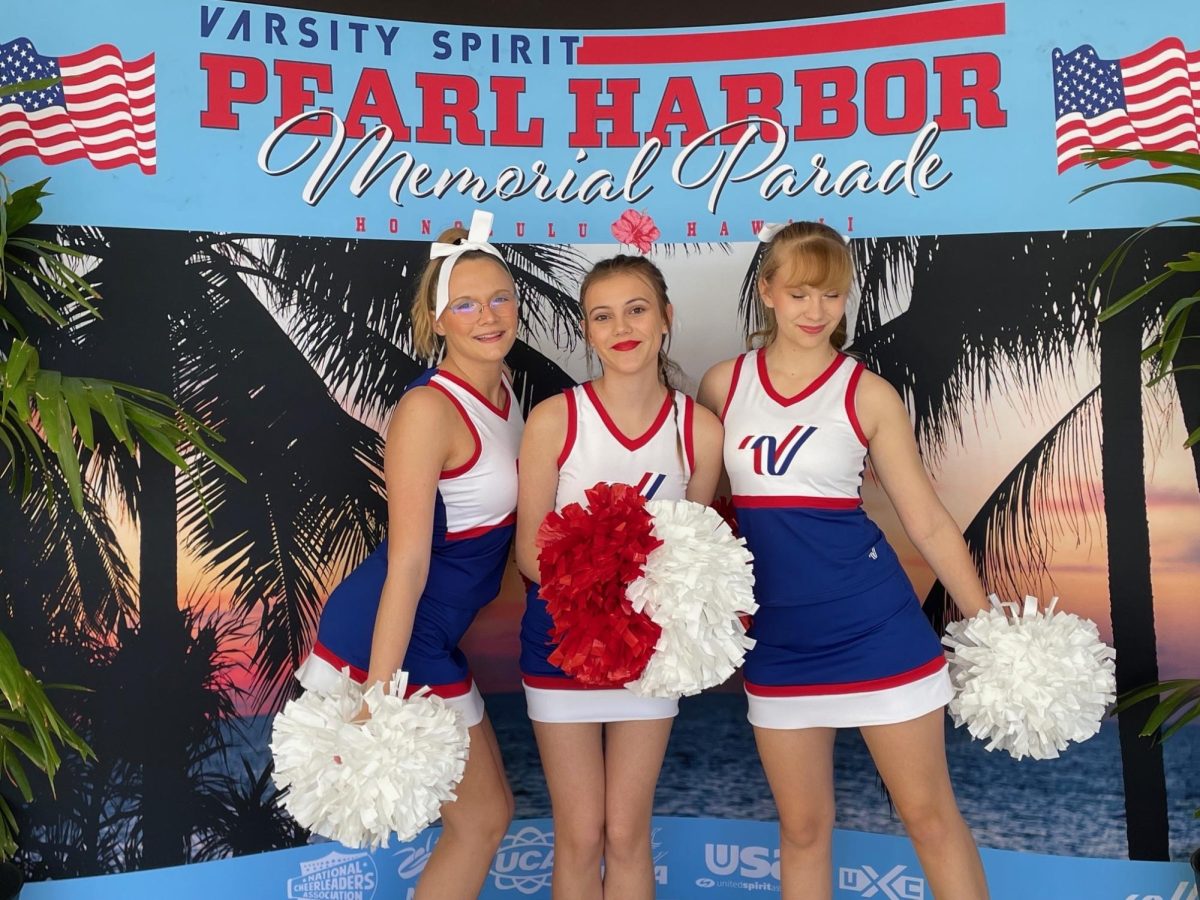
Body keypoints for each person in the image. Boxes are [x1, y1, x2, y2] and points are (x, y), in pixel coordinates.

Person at [698, 222, 990, 900]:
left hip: (875, 629)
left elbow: (928, 522)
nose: (815, 310)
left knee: (928, 818)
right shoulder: (723, 385)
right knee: (801, 830)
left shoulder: (868, 393)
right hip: (778, 642)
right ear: (767, 292)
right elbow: (697, 509)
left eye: (831, 294)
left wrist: (991, 629)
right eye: (798, 292)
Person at [297, 212, 522, 899]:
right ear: (438, 322)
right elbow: (409, 565)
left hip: (435, 633)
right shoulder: (428, 412)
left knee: (485, 819)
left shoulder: (506, 394)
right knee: (483, 820)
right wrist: (379, 696)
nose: (486, 317)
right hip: (395, 632)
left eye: (498, 299)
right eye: (465, 305)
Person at [516, 255, 724, 900]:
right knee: (580, 835)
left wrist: (643, 609)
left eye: (637, 309)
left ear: (665, 318)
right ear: (587, 331)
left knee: (628, 832)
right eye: (602, 316)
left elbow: (698, 552)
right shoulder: (556, 418)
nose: (622, 327)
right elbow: (529, 551)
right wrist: (601, 592)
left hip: (652, 654)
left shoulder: (699, 429)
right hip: (563, 643)